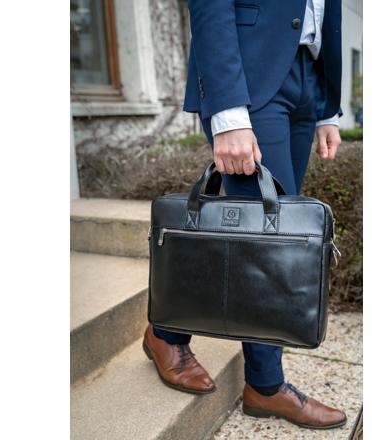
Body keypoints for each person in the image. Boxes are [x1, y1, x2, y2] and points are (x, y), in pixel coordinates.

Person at [143, 0, 347, 430]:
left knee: (268, 231)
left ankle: (168, 334)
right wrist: (228, 111)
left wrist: (327, 106)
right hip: (249, 74)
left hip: (307, 74)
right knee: (265, 244)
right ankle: (264, 384)